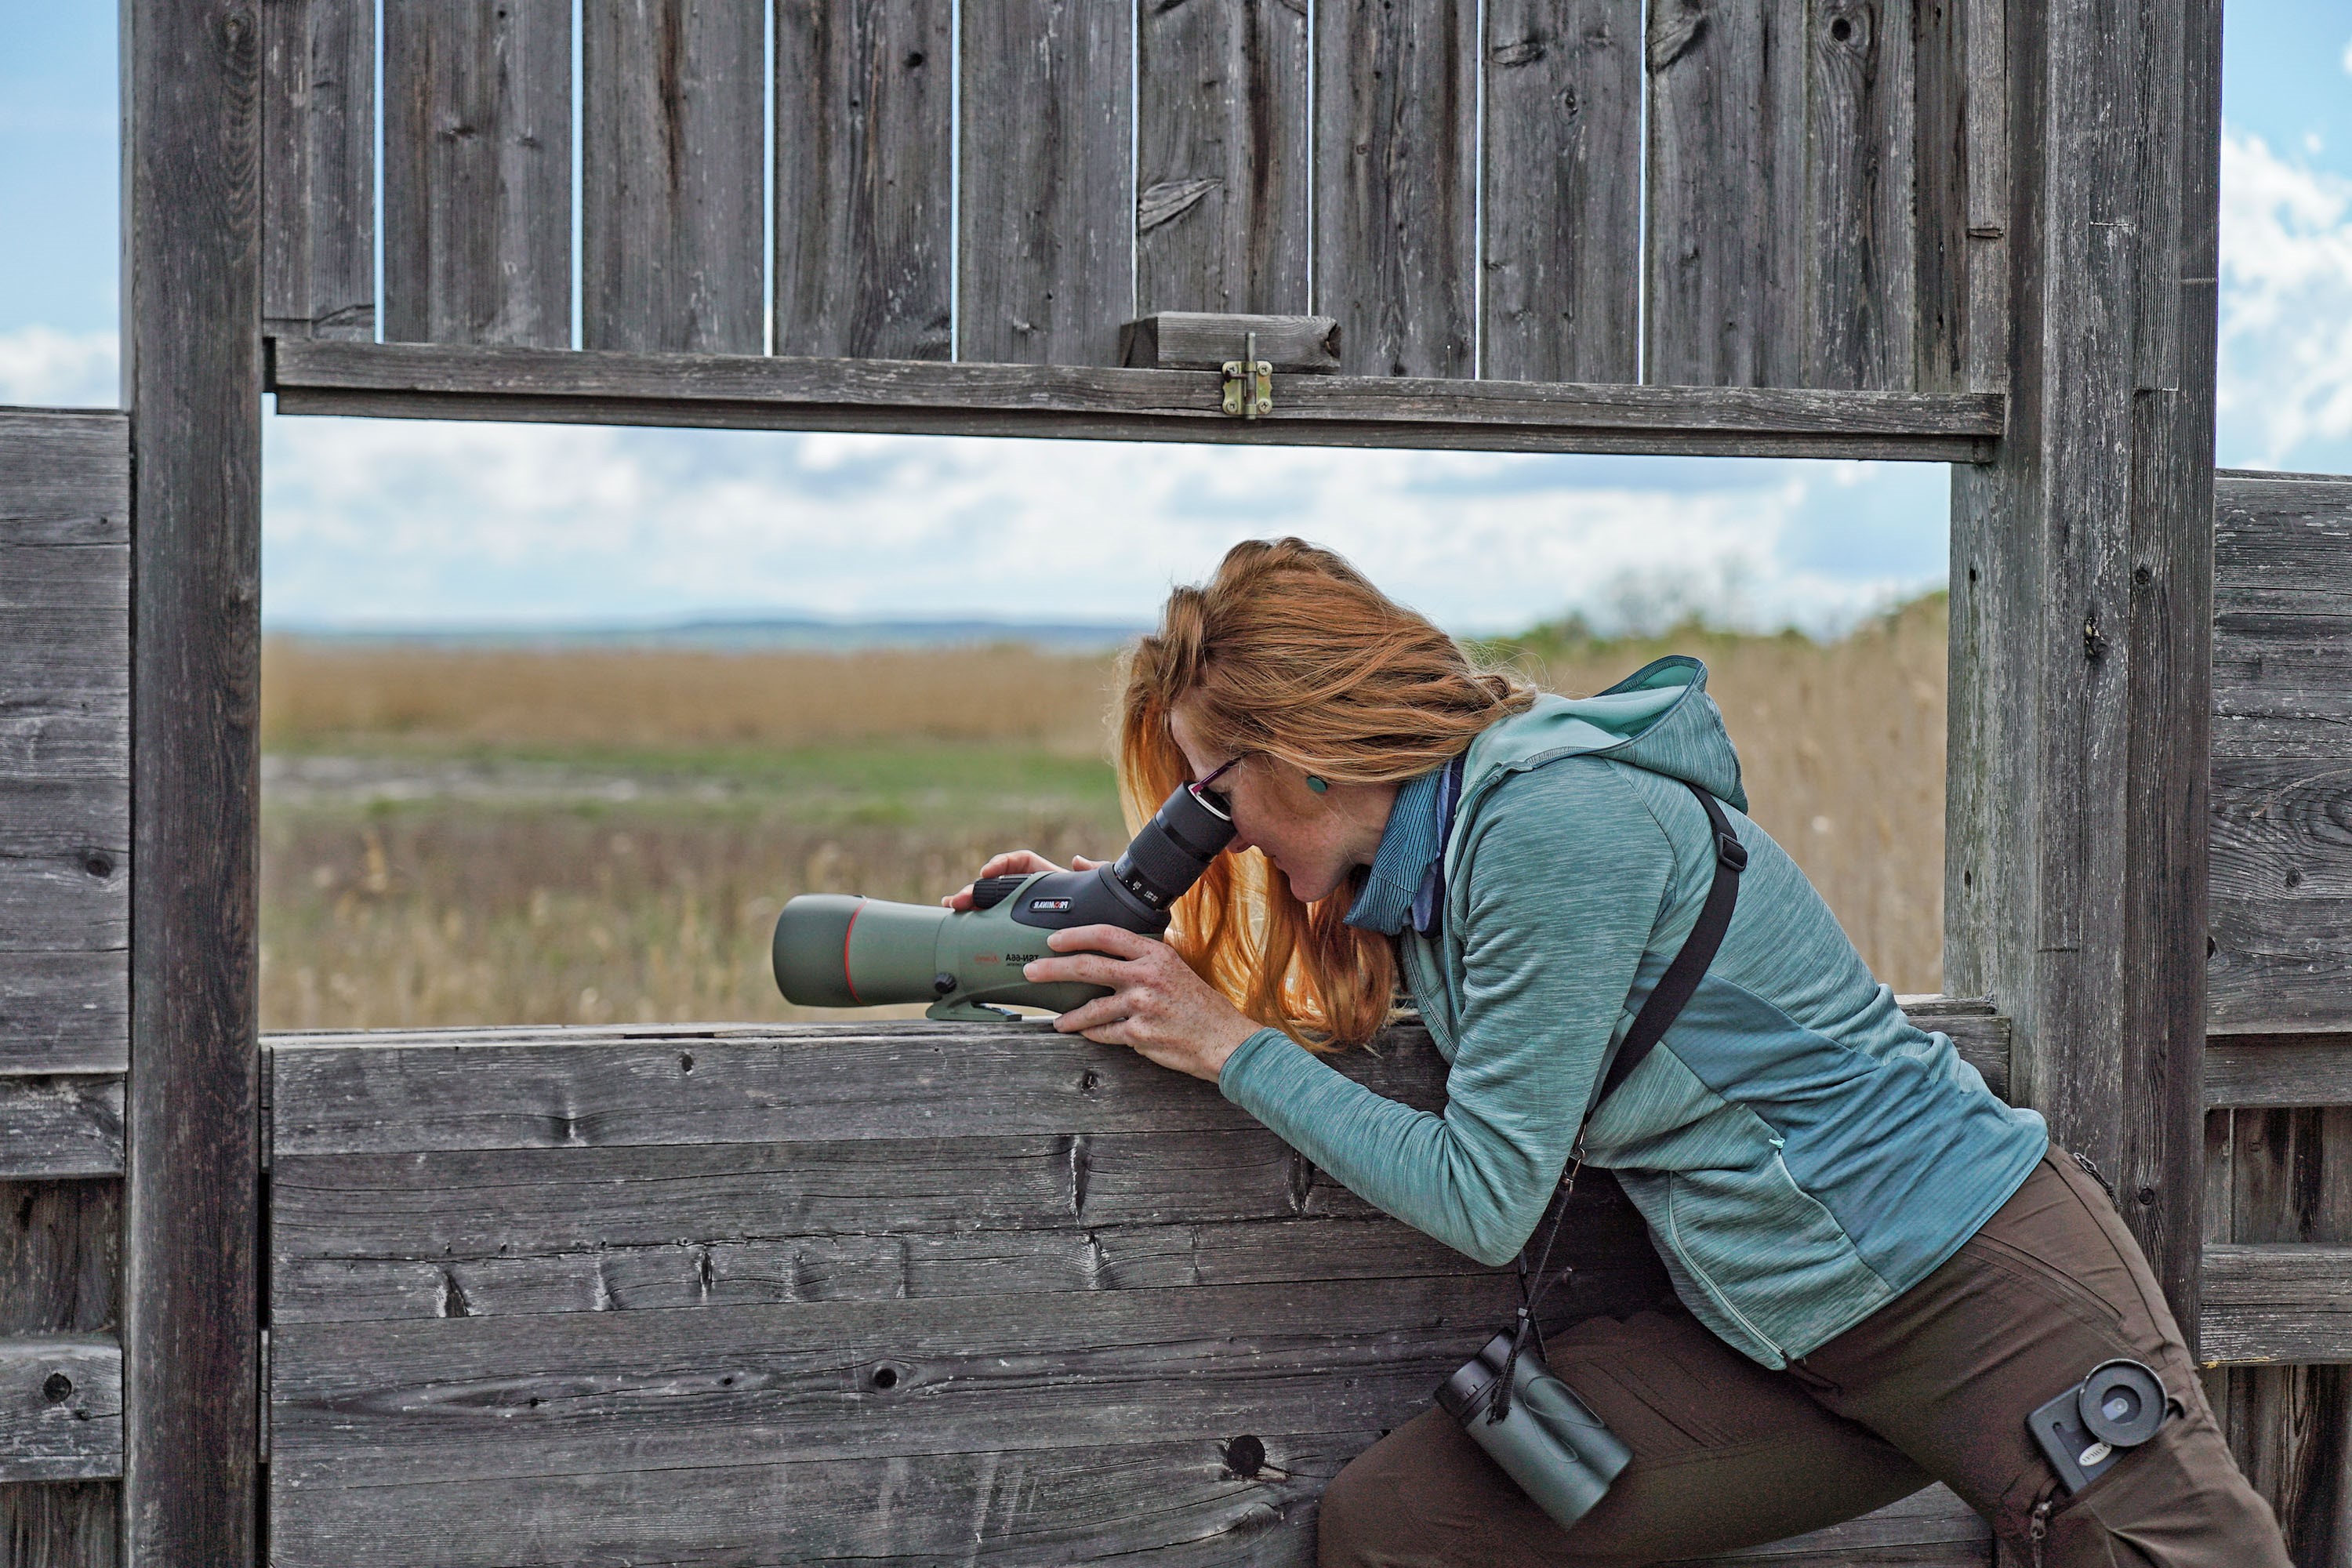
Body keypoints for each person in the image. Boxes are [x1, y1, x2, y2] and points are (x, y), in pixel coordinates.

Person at [948, 539, 2289, 1568]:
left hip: (1966, 1280)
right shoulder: (1436, 866)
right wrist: (1100, 916)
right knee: (1400, 1526)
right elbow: (1307, 988)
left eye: (1211, 799)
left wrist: (1226, 1043)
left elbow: (1487, 1196)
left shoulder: (1550, 831)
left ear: (1299, 755)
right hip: (1771, 1337)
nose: (1217, 834)